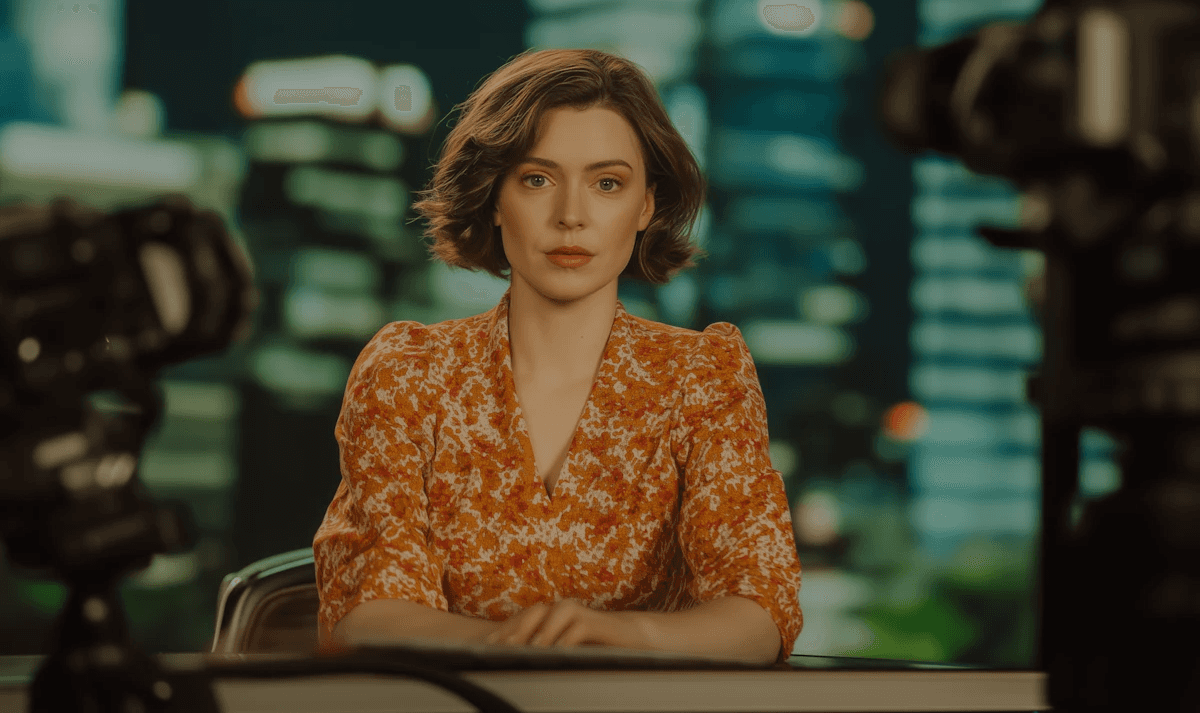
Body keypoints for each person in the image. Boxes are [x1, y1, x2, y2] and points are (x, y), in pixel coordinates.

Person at [312, 47, 803, 666]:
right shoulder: (408, 373)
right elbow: (363, 615)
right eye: (537, 179)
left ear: (647, 204)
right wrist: (524, 648)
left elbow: (759, 613)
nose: (571, 216)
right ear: (494, 197)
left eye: (607, 183)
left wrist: (614, 639)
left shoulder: (704, 376)